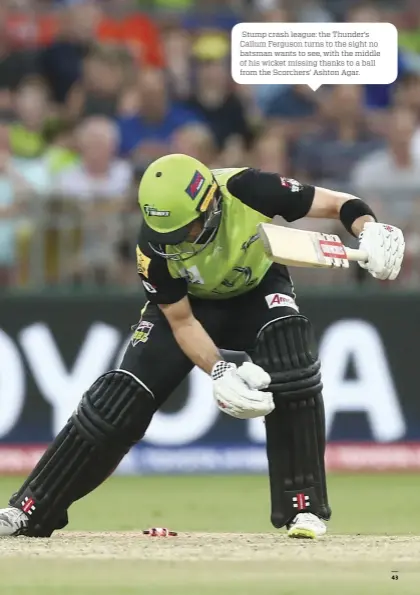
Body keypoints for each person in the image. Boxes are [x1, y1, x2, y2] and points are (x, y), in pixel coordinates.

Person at [0, 154, 405, 539]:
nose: (180, 243)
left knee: (291, 358)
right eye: (170, 236)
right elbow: (181, 320)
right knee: (117, 399)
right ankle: (30, 509)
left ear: (210, 202)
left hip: (257, 290)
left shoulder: (249, 188)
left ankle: (305, 507)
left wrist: (369, 231)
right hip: (190, 306)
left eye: (188, 230)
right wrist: (219, 369)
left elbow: (342, 203)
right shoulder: (154, 245)